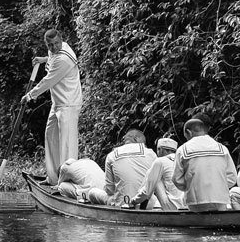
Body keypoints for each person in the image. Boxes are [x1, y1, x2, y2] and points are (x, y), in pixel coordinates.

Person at [23, 29, 83, 185]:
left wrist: (30, 95)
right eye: (50, 45)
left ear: (62, 40)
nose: (54, 47)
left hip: (69, 103)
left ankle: (69, 183)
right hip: (58, 103)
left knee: (67, 144)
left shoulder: (63, 59)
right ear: (46, 44)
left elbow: (48, 81)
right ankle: (53, 178)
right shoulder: (55, 51)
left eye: (56, 43)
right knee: (51, 137)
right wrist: (43, 59)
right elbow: (52, 56)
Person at [172, 117, 238, 211]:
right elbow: (232, 177)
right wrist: (219, 186)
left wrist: (189, 187)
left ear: (189, 132)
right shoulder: (222, 148)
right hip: (220, 199)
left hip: (196, 200)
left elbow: (176, 179)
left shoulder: (182, 150)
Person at [86, 128, 157, 206]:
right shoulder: (151, 154)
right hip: (147, 205)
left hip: (122, 204)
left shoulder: (112, 155)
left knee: (92, 192)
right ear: (136, 139)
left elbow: (110, 190)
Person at [131, 136, 186, 210]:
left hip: (172, 207)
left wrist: (133, 201)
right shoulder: (183, 161)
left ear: (161, 150)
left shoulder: (160, 161)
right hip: (187, 205)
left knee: (153, 179)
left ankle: (140, 209)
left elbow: (147, 191)